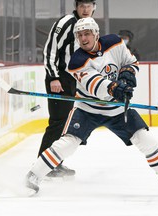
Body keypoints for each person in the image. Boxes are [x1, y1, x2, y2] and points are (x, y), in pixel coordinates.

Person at [25, 17, 158, 196]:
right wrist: (115, 87)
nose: (83, 39)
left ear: (96, 34)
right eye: (79, 35)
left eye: (87, 34)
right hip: (87, 109)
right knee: (67, 144)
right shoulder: (77, 61)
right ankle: (33, 175)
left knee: (145, 139)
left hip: (117, 110)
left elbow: (130, 62)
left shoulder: (115, 42)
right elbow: (96, 87)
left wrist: (127, 74)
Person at [39, 0, 96, 179]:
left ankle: (55, 162)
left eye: (88, 6)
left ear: (94, 7)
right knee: (58, 122)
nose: (85, 9)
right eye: (82, 6)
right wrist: (53, 78)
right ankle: (43, 166)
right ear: (76, 6)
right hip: (60, 79)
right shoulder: (66, 23)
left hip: (75, 81)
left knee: (66, 124)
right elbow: (51, 51)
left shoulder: (90, 25)